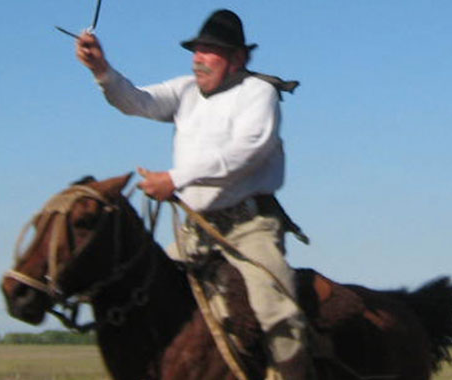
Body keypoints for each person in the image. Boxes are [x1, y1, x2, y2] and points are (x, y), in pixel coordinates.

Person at [74, 9, 311, 380]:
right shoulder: (185, 90)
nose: (199, 59)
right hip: (194, 232)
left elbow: (247, 151)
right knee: (144, 291)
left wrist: (174, 179)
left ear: (238, 58)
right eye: (196, 50)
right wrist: (101, 69)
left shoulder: (258, 93)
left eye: (210, 51)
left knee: (277, 309)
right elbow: (135, 101)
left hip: (250, 227)